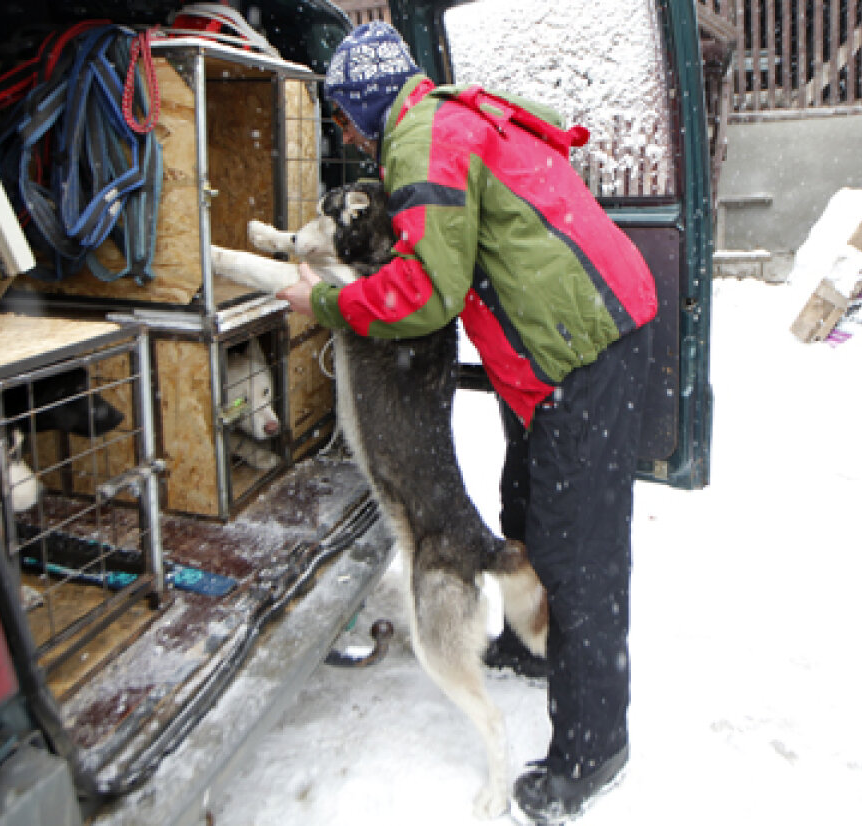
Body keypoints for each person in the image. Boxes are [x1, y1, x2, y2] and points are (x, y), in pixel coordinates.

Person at [279, 22, 656, 824]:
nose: (346, 134)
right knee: (524, 493)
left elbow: (425, 290)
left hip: (585, 345)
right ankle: (527, 646)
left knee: (576, 551)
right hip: (568, 342)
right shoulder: (442, 118)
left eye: (344, 119)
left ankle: (594, 747)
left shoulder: (423, 141)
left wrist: (323, 300)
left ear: (360, 111)